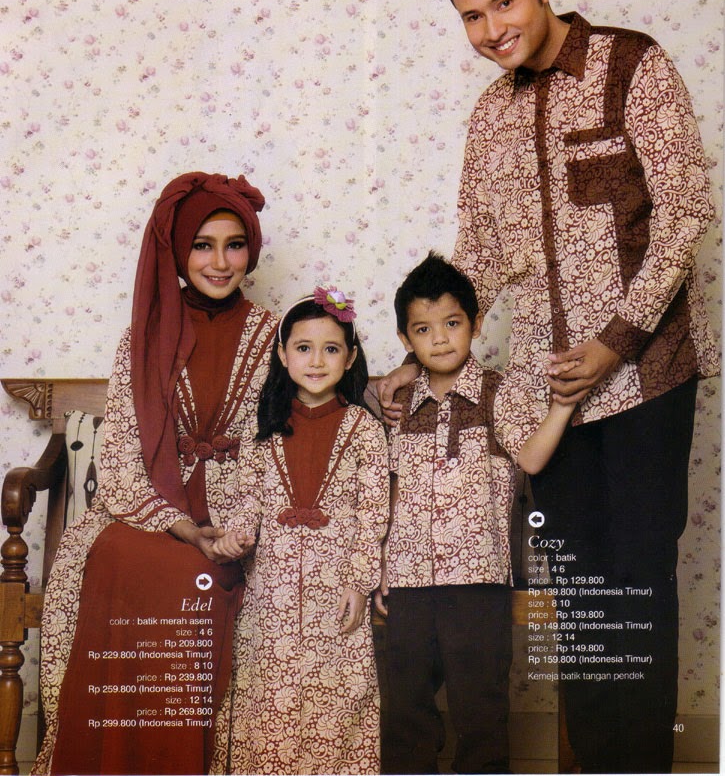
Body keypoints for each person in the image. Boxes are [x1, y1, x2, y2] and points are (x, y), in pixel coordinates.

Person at [381, 0, 718, 772]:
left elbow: (684, 212)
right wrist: (417, 356)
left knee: (635, 583)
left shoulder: (631, 65)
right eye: (471, 16)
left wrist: (615, 340)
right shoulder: (487, 118)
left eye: (504, 3)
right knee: (578, 592)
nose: (491, 29)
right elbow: (478, 257)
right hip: (545, 399)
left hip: (643, 377)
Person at [33, 172, 278, 776]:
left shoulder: (278, 335)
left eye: (234, 245)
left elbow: (281, 442)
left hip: (242, 512)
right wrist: (184, 527)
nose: (220, 262)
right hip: (152, 513)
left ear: (251, 250)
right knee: (131, 560)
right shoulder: (141, 339)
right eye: (202, 245)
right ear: (176, 252)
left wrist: (234, 526)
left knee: (202, 576)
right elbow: (120, 457)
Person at [373, 253, 573, 774]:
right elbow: (386, 490)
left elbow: (530, 458)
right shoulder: (398, 403)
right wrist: (379, 567)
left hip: (479, 580)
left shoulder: (496, 391)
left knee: (480, 709)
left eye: (453, 323)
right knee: (405, 709)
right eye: (423, 329)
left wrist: (562, 408)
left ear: (476, 324)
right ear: (405, 338)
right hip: (408, 582)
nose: (440, 339)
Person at [208, 289, 389, 775]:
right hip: (273, 594)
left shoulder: (364, 430)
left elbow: (373, 515)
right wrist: (236, 536)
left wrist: (358, 582)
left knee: (340, 695)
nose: (316, 360)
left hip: (337, 589)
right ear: (283, 354)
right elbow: (248, 500)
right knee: (269, 693)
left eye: (331, 349)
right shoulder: (264, 429)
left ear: (350, 357)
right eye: (304, 348)